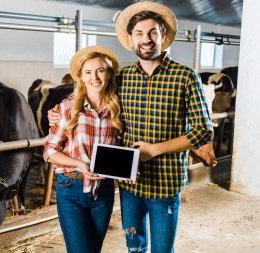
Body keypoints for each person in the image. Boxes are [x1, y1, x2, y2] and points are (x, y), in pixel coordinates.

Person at [48, 2, 213, 252]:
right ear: (130, 38)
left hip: (165, 182)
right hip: (129, 184)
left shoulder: (186, 77)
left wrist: (154, 150)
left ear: (164, 36)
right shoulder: (122, 78)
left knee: (161, 250)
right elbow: (93, 98)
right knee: (134, 247)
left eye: (153, 32)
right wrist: (57, 113)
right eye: (139, 33)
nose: (146, 40)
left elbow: (203, 131)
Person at [43, 45, 124, 253]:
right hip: (71, 187)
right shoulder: (68, 108)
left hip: (103, 190)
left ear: (108, 74)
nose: (94, 78)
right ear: (80, 77)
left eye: (100, 71)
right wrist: (80, 163)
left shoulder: (118, 109)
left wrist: (128, 168)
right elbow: (49, 151)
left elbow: (122, 149)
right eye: (88, 72)